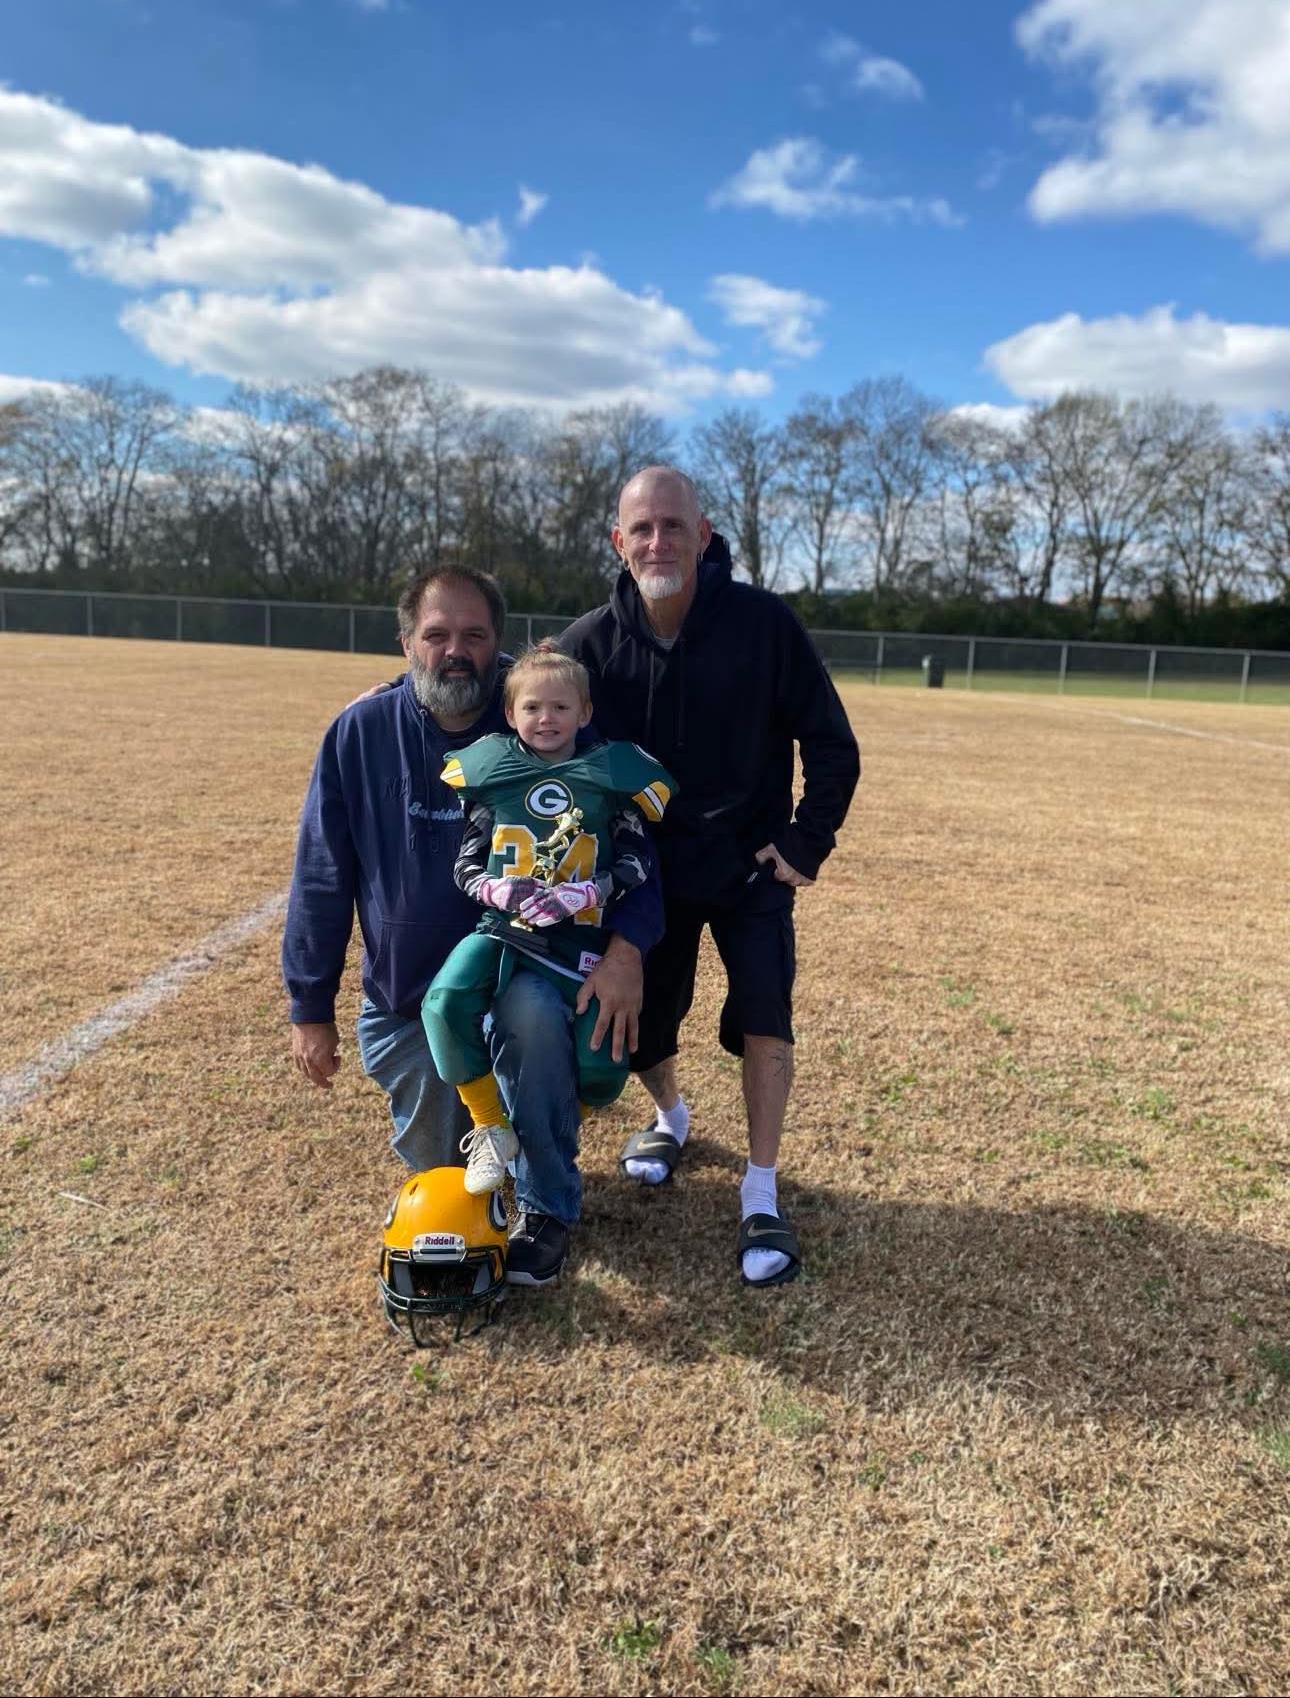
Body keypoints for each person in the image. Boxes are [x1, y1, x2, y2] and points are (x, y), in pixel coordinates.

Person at [283, 566, 662, 1287]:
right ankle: (503, 1134)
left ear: (502, 649)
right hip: (409, 997)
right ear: (406, 643)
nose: (454, 652)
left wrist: (626, 950)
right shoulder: (360, 733)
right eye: (436, 636)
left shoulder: (544, 718)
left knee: (531, 1017)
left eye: (475, 636)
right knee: (452, 1180)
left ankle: (550, 1206)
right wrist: (310, 1007)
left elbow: (632, 841)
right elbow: (321, 874)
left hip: (528, 973)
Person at [561, 466, 860, 1287]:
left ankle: (760, 1190)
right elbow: (524, 714)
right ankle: (670, 1117)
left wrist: (804, 844)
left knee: (765, 1015)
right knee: (646, 1027)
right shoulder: (587, 643)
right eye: (642, 530)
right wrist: (408, 698)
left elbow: (832, 744)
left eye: (673, 526)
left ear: (705, 534)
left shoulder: (765, 626)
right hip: (645, 877)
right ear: (619, 544)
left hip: (750, 868)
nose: (659, 542)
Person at [420, 642, 675, 1195]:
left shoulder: (613, 776)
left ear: (585, 713)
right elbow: (464, 864)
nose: (546, 719)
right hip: (505, 932)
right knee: (443, 1003)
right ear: (510, 714)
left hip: (582, 940)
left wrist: (588, 890)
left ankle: (548, 1128)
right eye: (533, 707)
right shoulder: (491, 771)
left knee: (604, 1071)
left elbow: (638, 860)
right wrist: (494, 887)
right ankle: (492, 1126)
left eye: (561, 708)